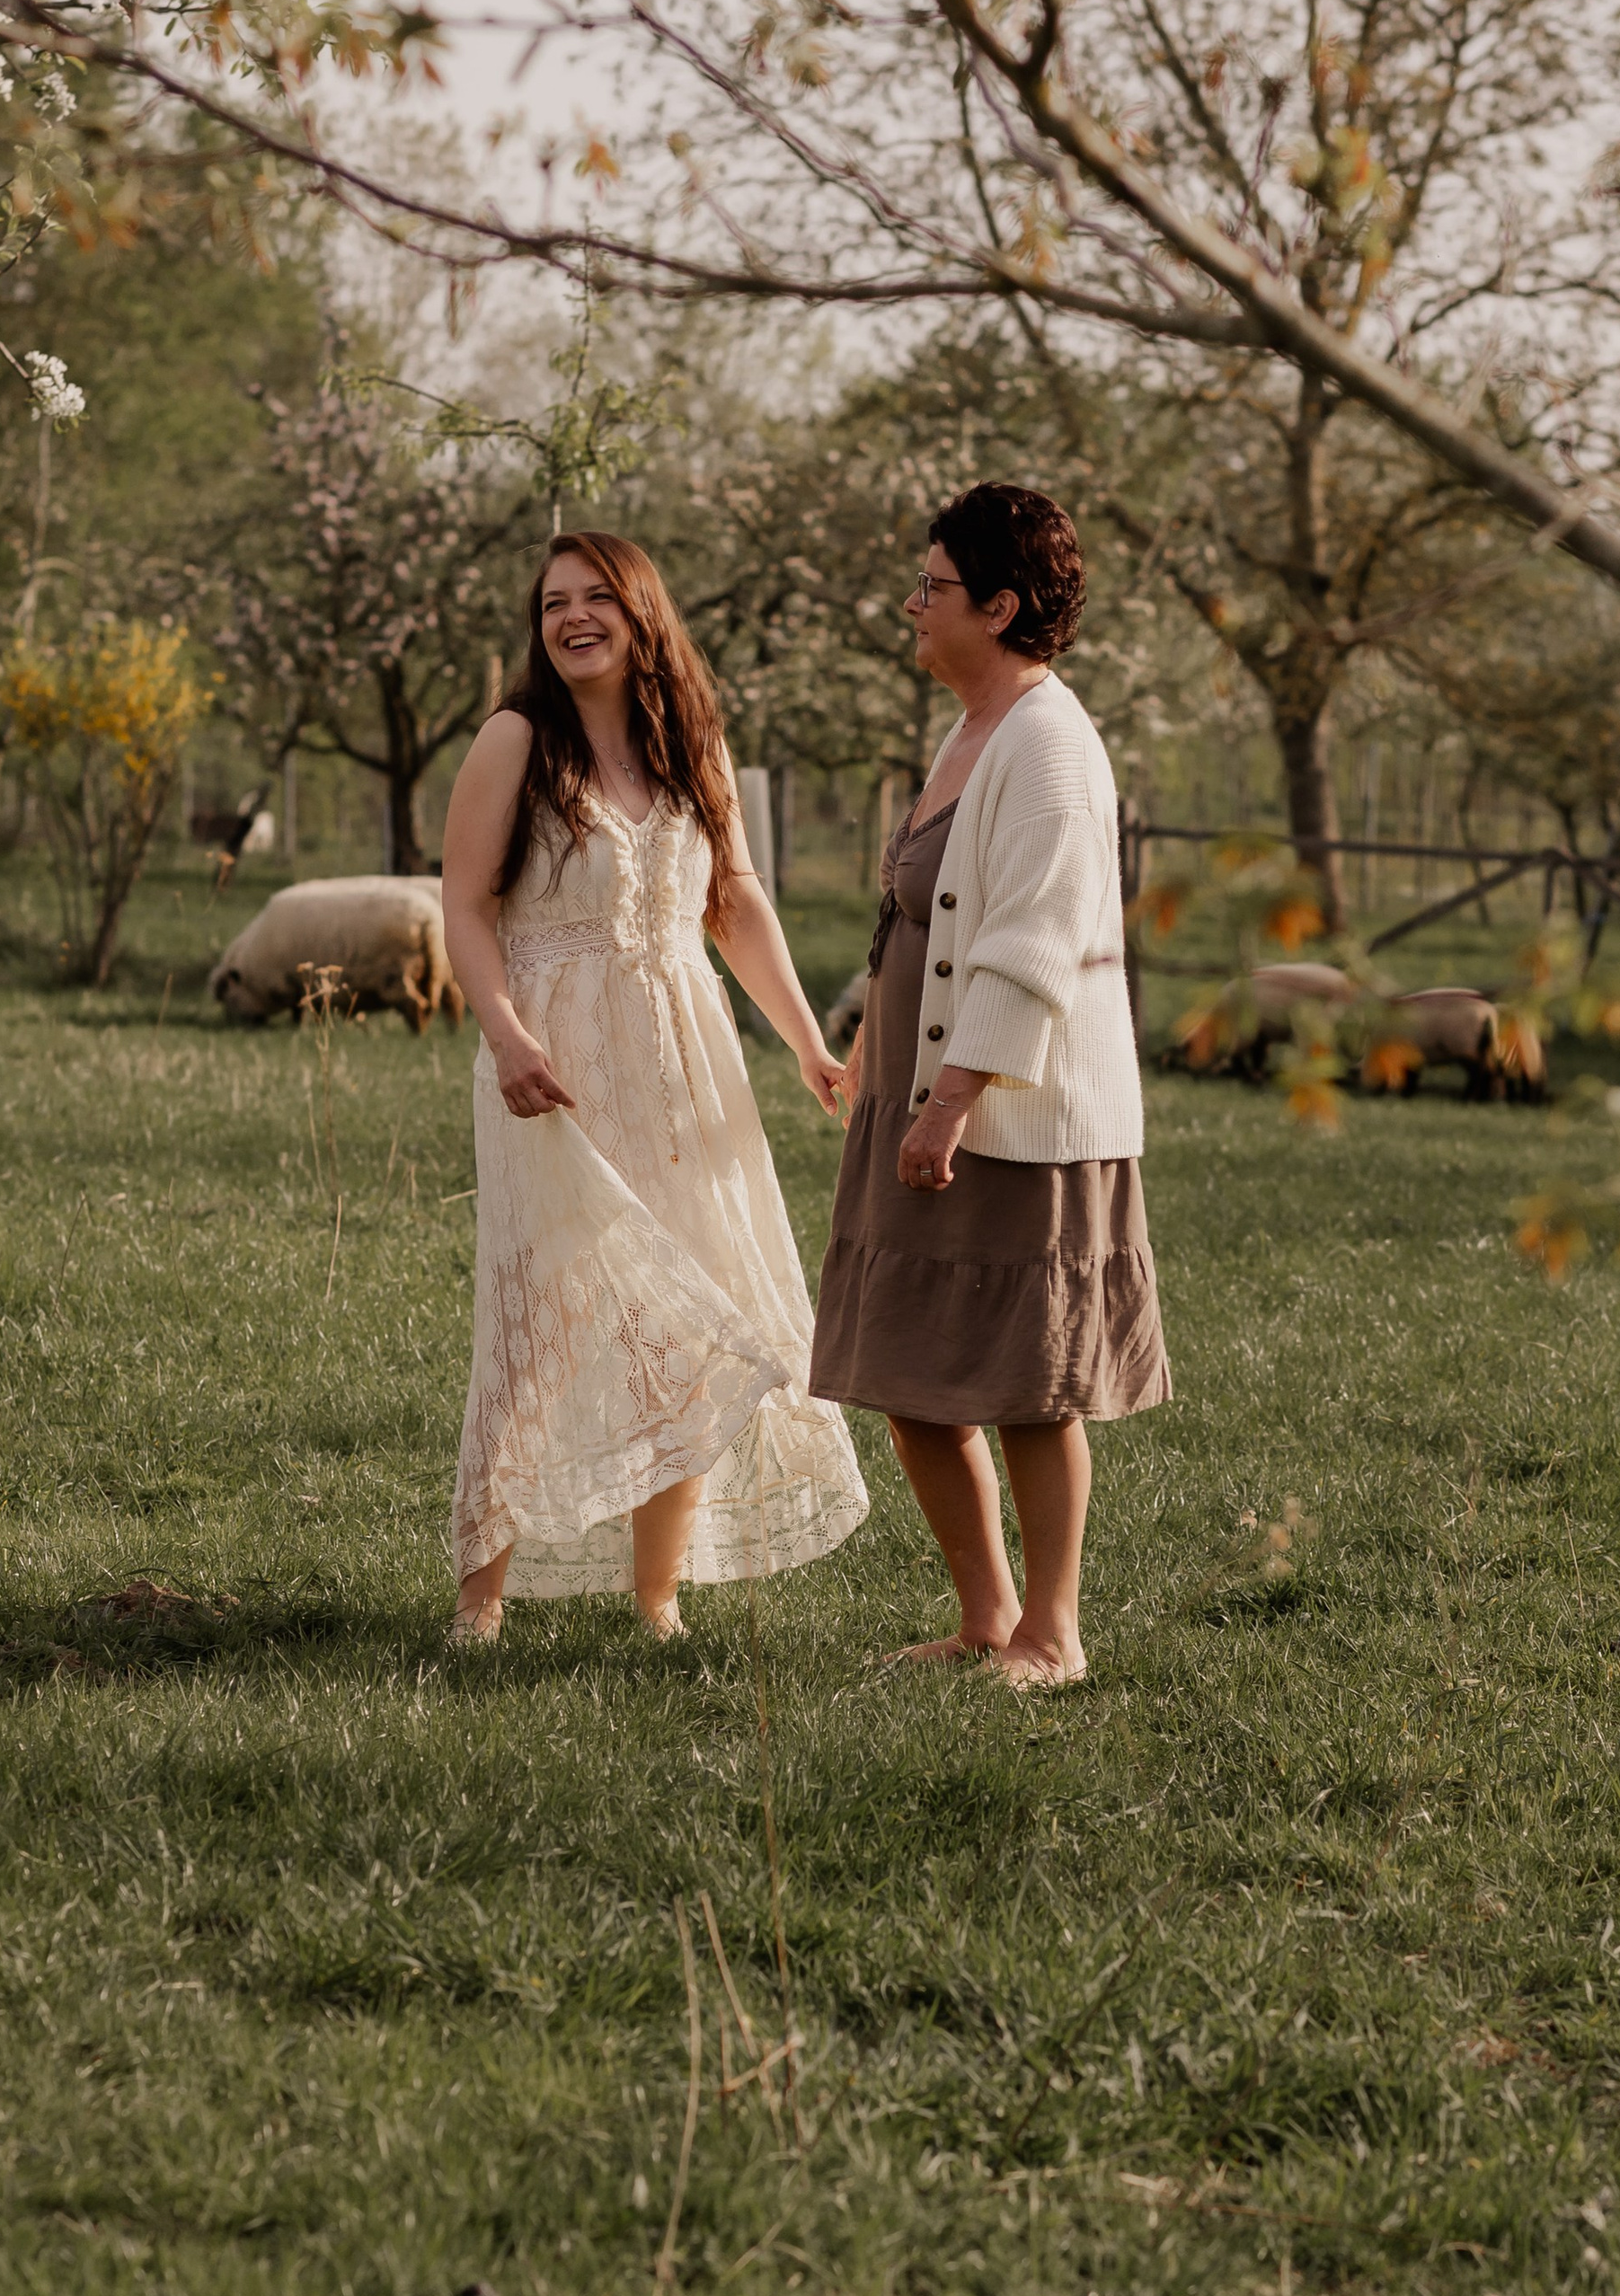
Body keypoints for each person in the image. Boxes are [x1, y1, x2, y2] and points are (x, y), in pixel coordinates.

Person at [438, 531, 867, 1645]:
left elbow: (734, 903)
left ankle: (656, 1600)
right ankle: (477, 1604)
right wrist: (506, 1034)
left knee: (691, 1324)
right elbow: (466, 907)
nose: (572, 618)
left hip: (683, 1058)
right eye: (550, 604)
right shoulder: (513, 740)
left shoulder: (693, 743)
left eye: (595, 599)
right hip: (555, 1061)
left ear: (640, 613)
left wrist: (811, 1048)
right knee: (541, 1320)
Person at [810, 483, 1168, 1686]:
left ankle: (1053, 1633)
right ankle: (984, 1616)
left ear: (1002, 605)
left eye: (932, 587)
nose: (912, 606)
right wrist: (875, 1042)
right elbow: (920, 910)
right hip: (919, 1096)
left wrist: (954, 1093)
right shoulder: (969, 728)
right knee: (909, 1368)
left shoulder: (1050, 743)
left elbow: (1031, 939)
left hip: (1009, 1115)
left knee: (1027, 1379)